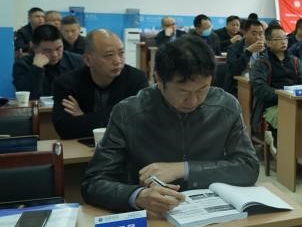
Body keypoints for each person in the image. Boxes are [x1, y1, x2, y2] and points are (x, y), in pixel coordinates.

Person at [81, 35, 259, 214]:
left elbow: (248, 166)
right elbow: (94, 182)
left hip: (212, 214)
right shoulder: (129, 113)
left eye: (202, 89)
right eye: (183, 92)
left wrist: (184, 169)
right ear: (159, 79)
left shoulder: (225, 106)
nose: (193, 101)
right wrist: (138, 195)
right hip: (152, 217)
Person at [52, 30, 149, 139]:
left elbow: (139, 121)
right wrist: (117, 116)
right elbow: (64, 128)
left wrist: (84, 117)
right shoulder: (67, 83)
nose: (117, 61)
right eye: (109, 55)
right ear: (88, 60)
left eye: (121, 53)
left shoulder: (136, 79)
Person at [250, 25, 302, 136]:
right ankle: (280, 144)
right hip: (271, 106)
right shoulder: (261, 63)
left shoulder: (295, 61)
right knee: (289, 118)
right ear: (268, 43)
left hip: (295, 102)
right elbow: (260, 89)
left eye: (285, 38)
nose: (283, 41)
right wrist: (284, 96)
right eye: (279, 39)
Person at [13, 23, 84, 99]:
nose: (54, 55)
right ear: (34, 47)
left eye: (58, 48)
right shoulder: (22, 65)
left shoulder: (77, 61)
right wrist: (36, 68)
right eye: (48, 50)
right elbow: (27, 97)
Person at [223, 18, 266, 94]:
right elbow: (234, 70)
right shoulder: (233, 48)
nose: (258, 37)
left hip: (259, 86)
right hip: (237, 87)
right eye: (254, 34)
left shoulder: (265, 49)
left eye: (260, 34)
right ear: (245, 33)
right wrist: (248, 52)